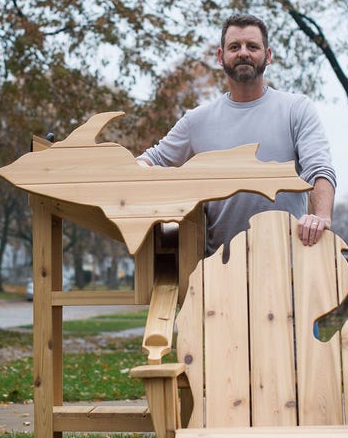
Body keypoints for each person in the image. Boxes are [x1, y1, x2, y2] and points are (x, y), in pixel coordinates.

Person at [137, 13, 336, 256]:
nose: (243, 53)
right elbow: (152, 160)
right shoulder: (197, 120)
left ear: (268, 55)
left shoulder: (296, 109)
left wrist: (321, 216)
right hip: (219, 271)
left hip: (288, 266)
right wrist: (126, 175)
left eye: (252, 46)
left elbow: (319, 169)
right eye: (234, 47)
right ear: (221, 57)